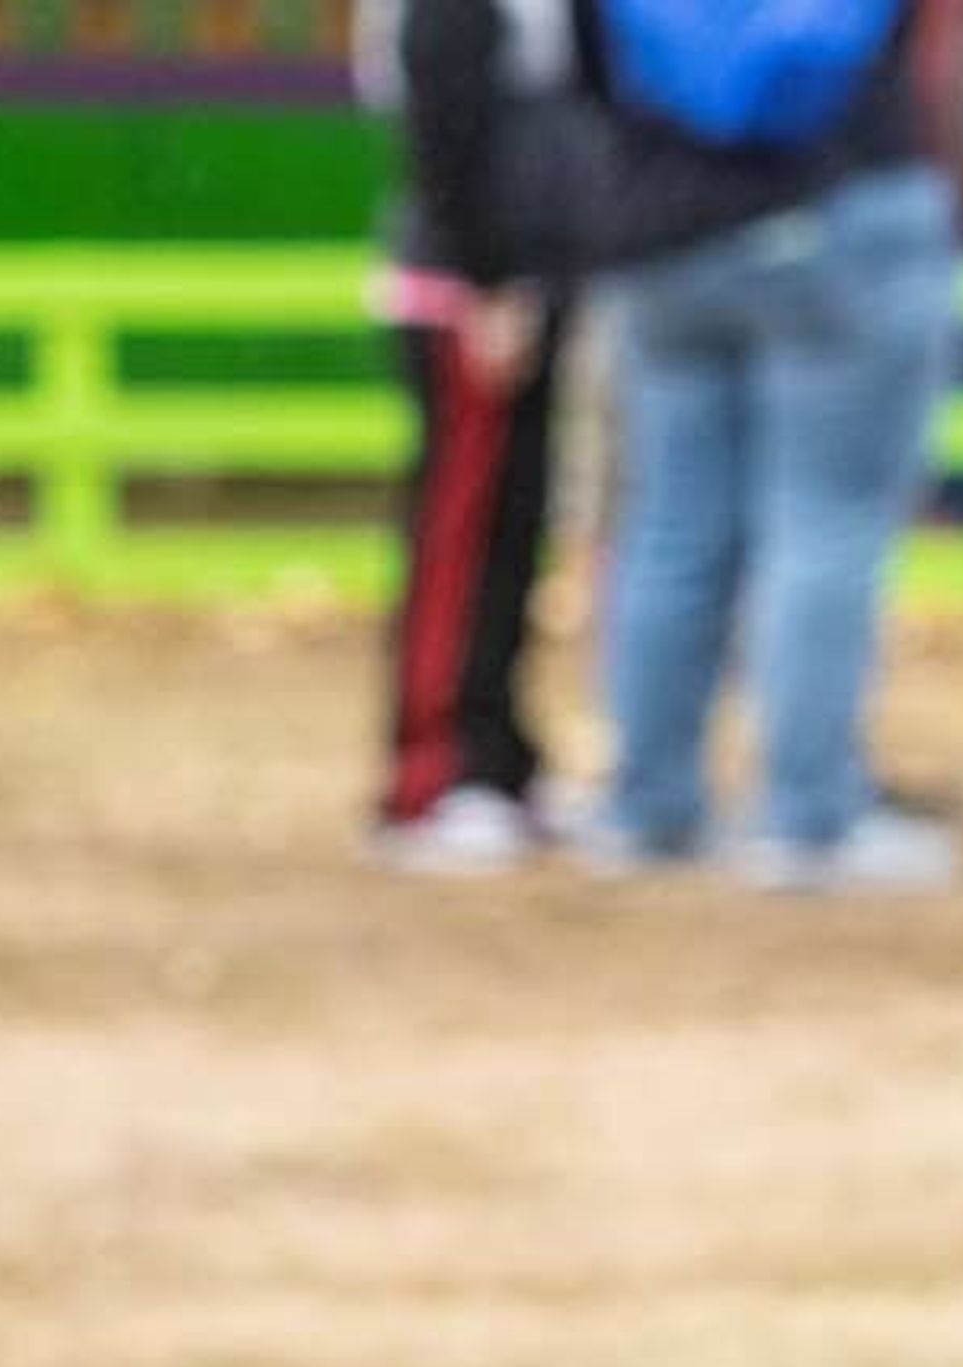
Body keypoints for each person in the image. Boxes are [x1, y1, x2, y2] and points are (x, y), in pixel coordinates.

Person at [587, 0, 963, 889]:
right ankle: (809, 815)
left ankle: (650, 805)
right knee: (825, 525)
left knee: (672, 527)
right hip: (835, 216)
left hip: (664, 231)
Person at [359, 0, 585, 875]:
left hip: (525, 283)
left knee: (514, 532)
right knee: (461, 538)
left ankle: (497, 756)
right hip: (471, 295)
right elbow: (445, 115)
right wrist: (487, 276)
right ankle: (432, 771)